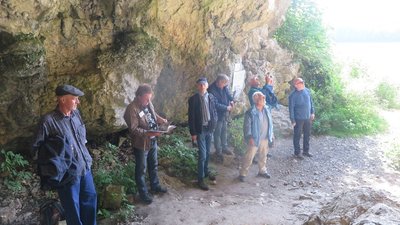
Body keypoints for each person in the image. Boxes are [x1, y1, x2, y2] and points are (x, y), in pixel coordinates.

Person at [33, 84, 97, 225]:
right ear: (62, 99)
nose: (78, 102)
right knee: (72, 209)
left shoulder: (76, 115)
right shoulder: (48, 121)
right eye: (74, 99)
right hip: (68, 174)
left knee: (90, 201)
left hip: (85, 167)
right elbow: (36, 148)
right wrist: (54, 166)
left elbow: (82, 140)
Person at [123, 84, 168, 204]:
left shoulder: (147, 103)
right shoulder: (131, 109)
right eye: (146, 99)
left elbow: (153, 114)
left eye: (150, 99)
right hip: (141, 144)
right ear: (139, 96)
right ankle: (143, 194)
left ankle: (155, 186)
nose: (149, 101)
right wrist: (148, 133)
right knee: (141, 169)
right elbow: (133, 129)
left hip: (153, 140)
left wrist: (160, 120)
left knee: (153, 165)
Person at [188, 77, 218, 191]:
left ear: (207, 85)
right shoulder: (193, 99)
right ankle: (200, 179)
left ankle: (205, 172)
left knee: (208, 152)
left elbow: (214, 111)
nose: (201, 86)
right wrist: (193, 133)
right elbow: (191, 117)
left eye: (203, 84)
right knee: (202, 155)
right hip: (200, 130)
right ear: (197, 86)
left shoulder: (211, 97)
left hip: (209, 129)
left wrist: (214, 122)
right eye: (199, 85)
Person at [239, 91, 274, 182]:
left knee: (263, 156)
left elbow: (270, 123)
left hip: (265, 138)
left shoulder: (266, 109)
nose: (264, 99)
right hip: (254, 138)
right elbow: (247, 126)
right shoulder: (250, 112)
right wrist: (249, 137)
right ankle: (243, 173)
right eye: (262, 98)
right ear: (257, 100)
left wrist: (271, 135)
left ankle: (262, 171)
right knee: (249, 157)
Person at [208, 74, 234, 162]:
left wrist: (232, 100)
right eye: (224, 83)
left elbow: (228, 94)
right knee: (217, 132)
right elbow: (214, 104)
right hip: (217, 115)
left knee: (224, 130)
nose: (226, 85)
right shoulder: (211, 90)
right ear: (219, 82)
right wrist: (226, 108)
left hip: (224, 114)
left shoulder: (224, 87)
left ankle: (224, 147)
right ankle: (218, 150)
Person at [288, 77, 315, 159]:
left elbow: (311, 102)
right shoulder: (292, 95)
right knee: (297, 135)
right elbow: (291, 108)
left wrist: (312, 112)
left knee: (307, 134)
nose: (303, 83)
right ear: (296, 85)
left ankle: (306, 151)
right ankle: (297, 152)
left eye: (303, 82)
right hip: (298, 118)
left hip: (307, 117)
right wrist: (292, 119)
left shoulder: (307, 91)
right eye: (301, 82)